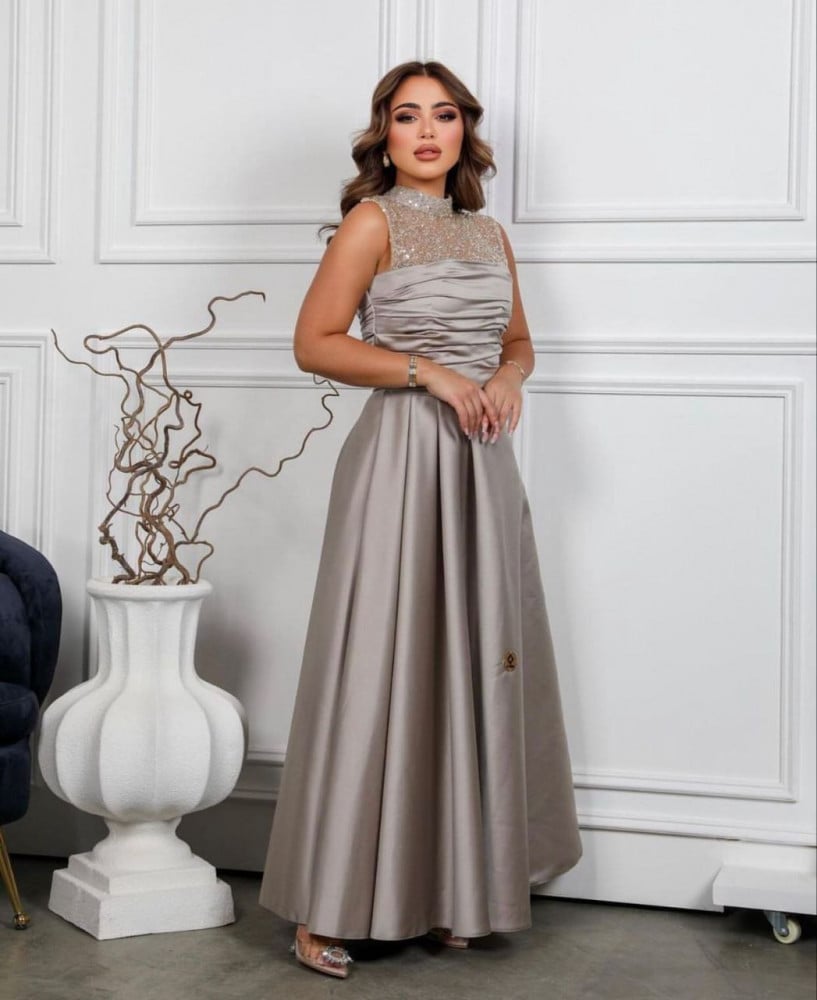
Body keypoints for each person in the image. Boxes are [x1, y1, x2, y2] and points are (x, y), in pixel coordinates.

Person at [259, 60, 583, 980]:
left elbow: (518, 341)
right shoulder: (371, 222)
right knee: (379, 663)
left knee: (470, 663)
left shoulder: (487, 232)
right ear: (385, 134)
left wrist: (507, 379)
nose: (428, 131)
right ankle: (325, 906)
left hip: (480, 461)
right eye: (408, 117)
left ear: (463, 131)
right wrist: (427, 372)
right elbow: (313, 342)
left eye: (444, 115)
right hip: (399, 461)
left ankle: (450, 894)